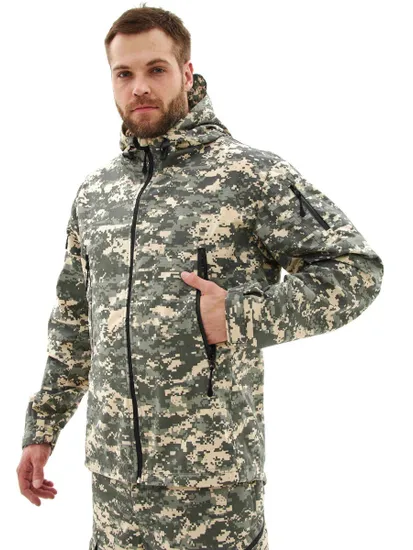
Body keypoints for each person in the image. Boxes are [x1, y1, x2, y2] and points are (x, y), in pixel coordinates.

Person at [16, 4, 384, 549]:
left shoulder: (250, 175)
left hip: (214, 490)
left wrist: (239, 314)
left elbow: (356, 270)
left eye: (156, 69)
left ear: (187, 73)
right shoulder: (96, 194)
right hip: (115, 490)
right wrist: (43, 429)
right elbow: (73, 323)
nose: (140, 87)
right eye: (124, 73)